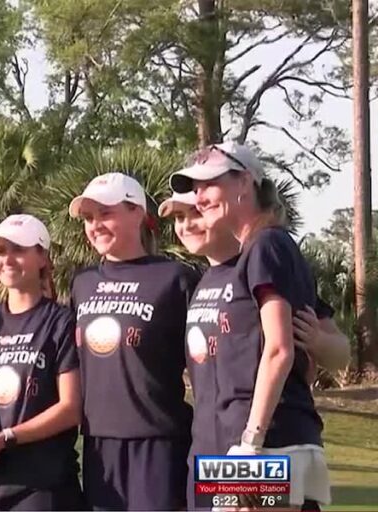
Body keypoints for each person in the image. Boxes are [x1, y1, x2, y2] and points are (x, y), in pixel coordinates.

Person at [170, 142, 332, 509]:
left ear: (244, 182)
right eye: (196, 188)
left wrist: (250, 444)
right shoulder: (250, 253)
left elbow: (279, 350)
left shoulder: (266, 244)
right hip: (239, 443)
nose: (199, 197)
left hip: (265, 441)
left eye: (209, 184)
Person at [68, 172, 198, 511]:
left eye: (105, 213)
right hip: (99, 444)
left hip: (159, 442)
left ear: (137, 213)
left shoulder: (175, 278)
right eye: (88, 218)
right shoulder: (82, 283)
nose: (95, 225)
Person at [0, 214, 85, 511]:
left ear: (42, 257)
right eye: (0, 251)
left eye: (19, 249)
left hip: (41, 484)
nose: (7, 259)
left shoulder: (61, 322)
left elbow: (70, 408)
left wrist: (5, 439)